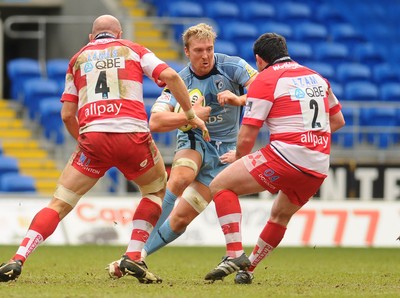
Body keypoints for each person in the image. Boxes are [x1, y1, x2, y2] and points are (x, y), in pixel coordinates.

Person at [0, 14, 208, 284]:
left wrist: (85, 143)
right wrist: (191, 114)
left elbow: (66, 115)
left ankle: (18, 258)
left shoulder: (77, 59)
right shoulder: (133, 49)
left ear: (91, 37)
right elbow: (169, 75)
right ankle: (133, 255)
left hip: (94, 138)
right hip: (133, 137)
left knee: (60, 203)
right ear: (118, 33)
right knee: (155, 190)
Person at [106, 22, 257, 276]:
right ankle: (133, 252)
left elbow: (261, 91)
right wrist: (190, 116)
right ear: (187, 52)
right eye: (198, 50)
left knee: (180, 219)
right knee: (180, 178)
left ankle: (135, 256)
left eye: (209, 49)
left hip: (225, 152)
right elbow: (155, 121)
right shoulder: (181, 81)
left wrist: (238, 99)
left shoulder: (233, 66)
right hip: (194, 140)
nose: (205, 55)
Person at [203, 32, 345, 284]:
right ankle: (249, 269)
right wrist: (308, 139)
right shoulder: (317, 78)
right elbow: (338, 121)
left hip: (286, 156)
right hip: (318, 165)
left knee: (220, 185)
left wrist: (238, 158)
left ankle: (234, 254)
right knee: (280, 215)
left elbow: (247, 138)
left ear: (259, 60)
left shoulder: (266, 79)